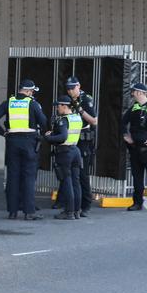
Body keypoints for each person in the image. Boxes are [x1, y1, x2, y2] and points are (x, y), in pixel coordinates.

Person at [0, 79, 48, 220]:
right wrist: (43, 134)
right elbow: (43, 121)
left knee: (13, 177)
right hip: (29, 142)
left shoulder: (8, 103)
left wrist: (4, 133)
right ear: (27, 91)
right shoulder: (32, 104)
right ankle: (29, 212)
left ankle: (12, 212)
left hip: (12, 142)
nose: (32, 94)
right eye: (32, 91)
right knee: (28, 177)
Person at [63, 76, 98, 217]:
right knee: (67, 171)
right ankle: (67, 203)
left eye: (73, 88)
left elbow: (94, 121)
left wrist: (81, 110)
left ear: (79, 86)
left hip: (84, 141)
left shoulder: (86, 99)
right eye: (68, 88)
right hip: (72, 139)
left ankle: (86, 205)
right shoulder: (70, 99)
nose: (70, 91)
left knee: (83, 174)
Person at [44, 96, 83, 220]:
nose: (57, 108)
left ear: (64, 106)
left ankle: (69, 212)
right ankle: (77, 211)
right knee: (76, 182)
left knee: (67, 182)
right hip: (76, 151)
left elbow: (62, 137)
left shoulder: (63, 120)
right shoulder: (77, 117)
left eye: (58, 106)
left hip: (65, 152)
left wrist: (48, 138)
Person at [121, 82, 147, 212]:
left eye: (134, 92)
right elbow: (123, 123)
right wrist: (126, 136)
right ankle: (137, 203)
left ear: (141, 93)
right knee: (137, 178)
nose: (132, 94)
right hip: (135, 149)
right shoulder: (134, 108)